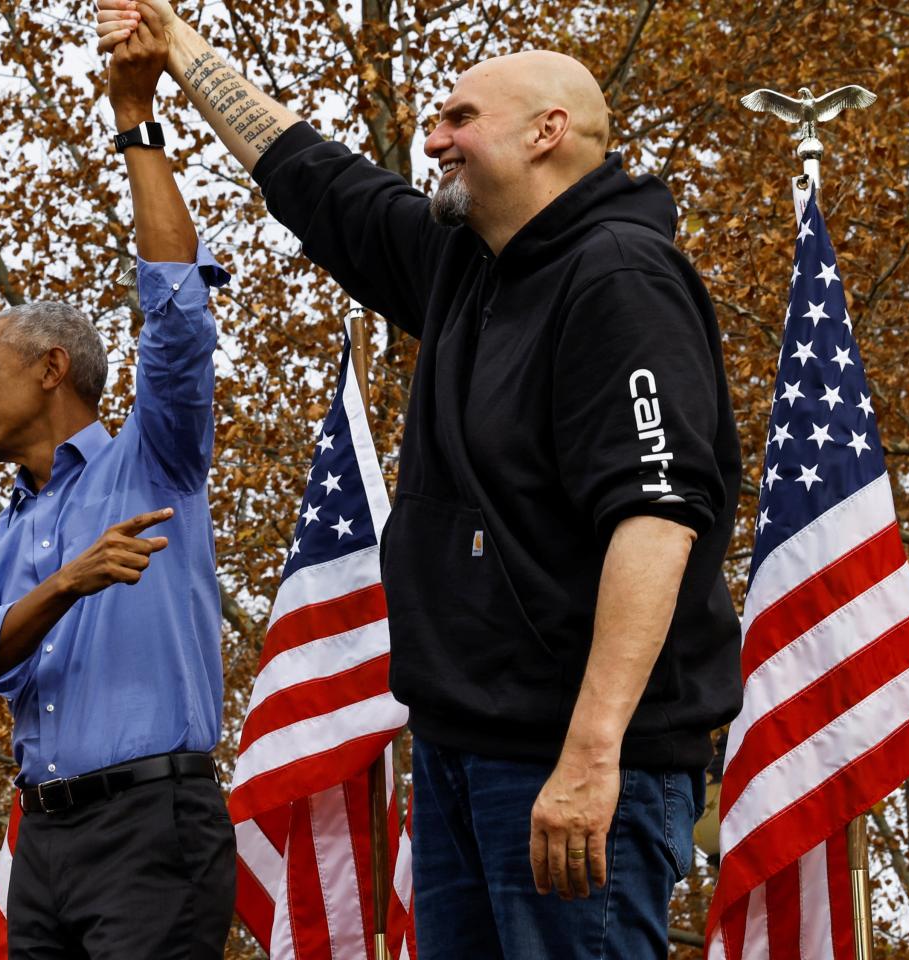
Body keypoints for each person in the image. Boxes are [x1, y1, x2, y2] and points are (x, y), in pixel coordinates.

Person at [94, 3, 743, 957]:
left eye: (458, 118)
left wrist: (592, 753)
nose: (430, 138)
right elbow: (311, 175)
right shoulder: (466, 266)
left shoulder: (621, 277)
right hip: (459, 750)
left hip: (570, 763)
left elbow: (656, 520)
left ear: (547, 133)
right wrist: (178, 48)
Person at [0, 14, 234, 960]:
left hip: (155, 829)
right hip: (43, 843)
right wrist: (65, 584)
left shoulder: (159, 459)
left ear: (53, 369)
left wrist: (135, 117)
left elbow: (177, 307)